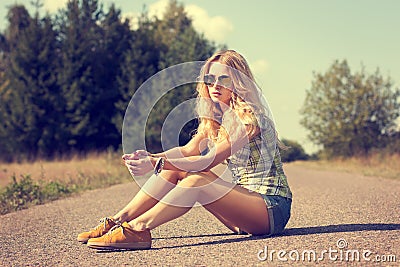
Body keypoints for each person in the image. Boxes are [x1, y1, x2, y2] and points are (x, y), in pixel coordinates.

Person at [77, 50, 292, 250]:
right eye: (210, 80)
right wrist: (151, 157)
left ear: (238, 82)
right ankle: (118, 220)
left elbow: (208, 160)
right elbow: (188, 151)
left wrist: (155, 164)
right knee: (175, 169)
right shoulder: (217, 119)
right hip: (242, 215)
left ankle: (139, 229)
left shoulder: (250, 119)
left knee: (197, 180)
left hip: (270, 209)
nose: (215, 85)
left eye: (224, 79)